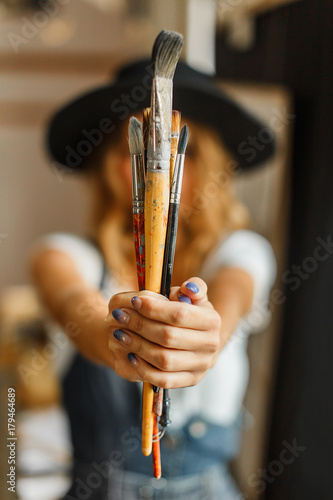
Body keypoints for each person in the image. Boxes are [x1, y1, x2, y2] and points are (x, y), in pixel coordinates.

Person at [30, 59, 277, 500]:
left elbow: (231, 300)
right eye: (137, 156)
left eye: (181, 155)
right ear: (111, 164)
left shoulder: (241, 252)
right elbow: (74, 303)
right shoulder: (65, 255)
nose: (150, 175)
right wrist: (115, 336)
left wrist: (202, 337)